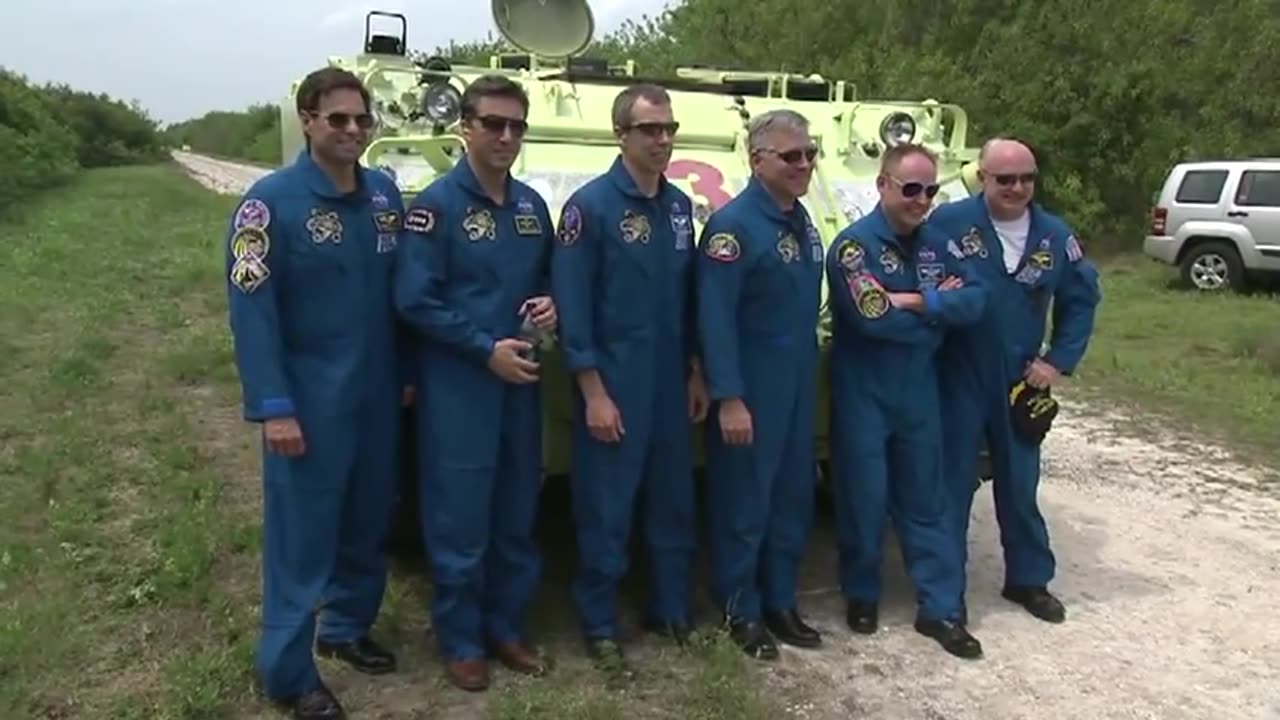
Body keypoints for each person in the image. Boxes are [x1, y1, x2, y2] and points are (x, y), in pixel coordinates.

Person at [225, 66, 412, 720]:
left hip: (377, 399)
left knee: (367, 524)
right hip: (308, 407)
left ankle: (346, 628)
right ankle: (287, 673)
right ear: (307, 120)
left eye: (363, 119)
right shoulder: (268, 206)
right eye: (338, 119)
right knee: (302, 543)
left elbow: (401, 300)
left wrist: (409, 375)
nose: (354, 130)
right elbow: (253, 313)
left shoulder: (385, 196)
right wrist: (273, 406)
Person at [393, 74, 558, 692]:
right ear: (465, 126)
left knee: (516, 510)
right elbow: (414, 300)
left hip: (521, 381)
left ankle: (506, 628)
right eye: (493, 123)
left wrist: (551, 307)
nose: (506, 136)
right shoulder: (437, 207)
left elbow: (548, 279)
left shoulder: (531, 207)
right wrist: (482, 348)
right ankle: (461, 639)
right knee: (459, 516)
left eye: (517, 125)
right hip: (461, 385)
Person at [549, 83, 709, 674]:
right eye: (649, 130)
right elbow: (574, 307)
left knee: (674, 504)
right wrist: (592, 390)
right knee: (606, 508)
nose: (662, 140)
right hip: (613, 385)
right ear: (622, 135)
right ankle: (598, 624)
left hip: (670, 385)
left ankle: (668, 609)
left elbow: (687, 300)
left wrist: (696, 370)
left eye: (668, 129)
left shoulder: (677, 208)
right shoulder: (588, 209)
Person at [926, 137, 1102, 624]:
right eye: (1005, 179)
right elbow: (919, 284)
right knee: (951, 487)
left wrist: (1057, 360)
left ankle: (1028, 579)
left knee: (1020, 485)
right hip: (959, 375)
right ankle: (945, 597)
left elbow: (1082, 299)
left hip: (1020, 380)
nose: (1017, 188)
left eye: (1026, 178)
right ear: (982, 177)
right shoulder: (948, 224)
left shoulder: (1053, 236)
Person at [824, 143, 986, 660]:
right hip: (864, 389)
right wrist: (940, 313)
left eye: (930, 190)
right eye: (910, 188)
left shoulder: (941, 243)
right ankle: (862, 593)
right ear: (883, 185)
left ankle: (941, 609)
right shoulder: (853, 248)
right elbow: (870, 316)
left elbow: (977, 300)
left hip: (918, 390)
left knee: (926, 501)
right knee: (863, 498)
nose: (921, 199)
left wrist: (918, 301)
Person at [694, 108, 825, 660]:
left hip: (795, 390)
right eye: (791, 156)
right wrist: (728, 397)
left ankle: (780, 600)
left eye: (810, 154)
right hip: (750, 392)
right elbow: (714, 318)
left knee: (794, 499)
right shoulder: (733, 229)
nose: (804, 165)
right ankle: (739, 607)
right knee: (744, 504)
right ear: (757, 161)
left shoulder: (802, 221)